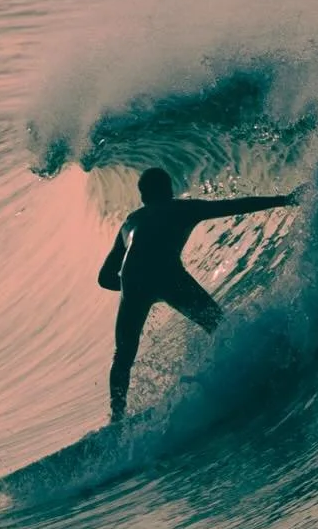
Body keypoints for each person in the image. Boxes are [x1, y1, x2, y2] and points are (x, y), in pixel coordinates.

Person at [98, 166, 299, 420]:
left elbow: (104, 278)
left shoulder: (130, 221)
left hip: (131, 278)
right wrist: (285, 199)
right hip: (166, 272)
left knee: (124, 353)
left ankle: (117, 415)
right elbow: (235, 206)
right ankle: (243, 376)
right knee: (218, 325)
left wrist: (137, 289)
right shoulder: (182, 208)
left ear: (143, 197)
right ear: (169, 190)